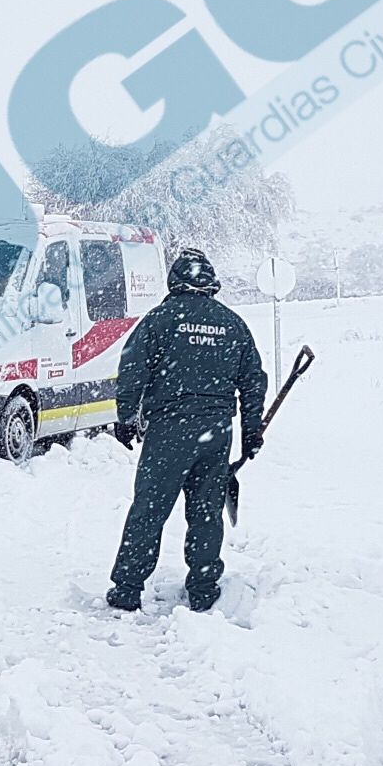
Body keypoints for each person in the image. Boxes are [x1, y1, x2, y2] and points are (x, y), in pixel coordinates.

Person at [107, 246, 268, 613]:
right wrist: (251, 430)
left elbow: (133, 370)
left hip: (169, 431)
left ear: (175, 282)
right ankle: (203, 588)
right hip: (215, 433)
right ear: (210, 283)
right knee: (207, 512)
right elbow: (253, 382)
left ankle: (128, 588)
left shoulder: (160, 320)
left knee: (149, 509)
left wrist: (126, 416)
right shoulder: (232, 325)